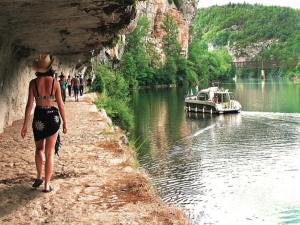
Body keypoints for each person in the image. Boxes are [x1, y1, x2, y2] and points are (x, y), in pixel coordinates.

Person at [21, 54, 67, 193]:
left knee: (39, 149)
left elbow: (29, 105)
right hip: (53, 117)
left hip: (39, 117)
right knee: (50, 152)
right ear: (49, 67)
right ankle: (47, 185)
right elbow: (61, 104)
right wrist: (65, 122)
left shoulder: (33, 83)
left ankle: (39, 176)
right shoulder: (55, 83)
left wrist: (24, 125)